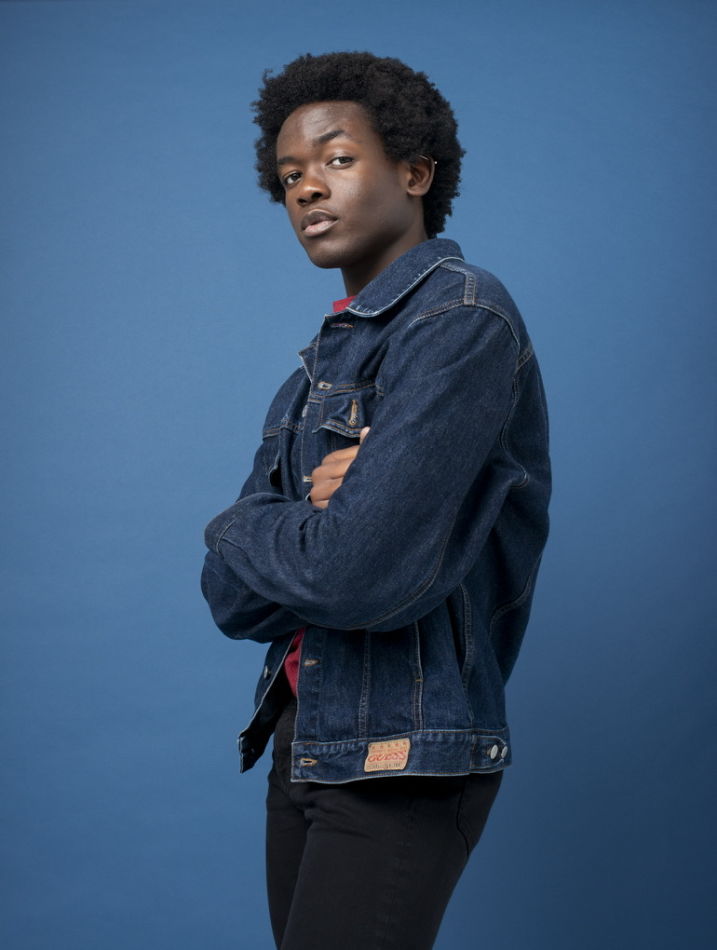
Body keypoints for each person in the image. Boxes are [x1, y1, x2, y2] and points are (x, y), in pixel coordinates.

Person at [201, 51, 550, 950]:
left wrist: (246, 525)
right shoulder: (313, 372)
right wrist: (282, 526)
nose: (308, 189)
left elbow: (355, 576)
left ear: (415, 172)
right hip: (301, 734)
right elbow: (231, 602)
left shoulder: (461, 319)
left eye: (337, 159)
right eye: (289, 176)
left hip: (404, 751)